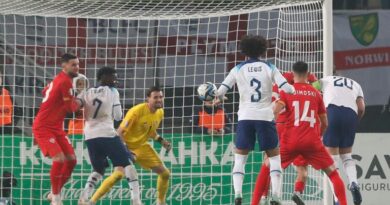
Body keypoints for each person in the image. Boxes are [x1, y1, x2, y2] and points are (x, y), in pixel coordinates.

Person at [215, 35, 295, 205]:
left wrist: (215, 96)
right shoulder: (269, 67)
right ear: (262, 49)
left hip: (245, 118)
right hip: (265, 118)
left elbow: (220, 91)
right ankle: (276, 196)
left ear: (244, 50)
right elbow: (287, 89)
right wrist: (294, 89)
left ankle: (237, 194)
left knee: (240, 159)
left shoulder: (238, 69)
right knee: (274, 158)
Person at [273, 62, 348, 205]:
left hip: (288, 134)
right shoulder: (316, 92)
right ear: (308, 74)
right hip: (310, 137)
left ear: (292, 74)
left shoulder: (286, 89)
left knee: (269, 167)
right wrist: (318, 136)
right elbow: (325, 122)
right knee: (331, 173)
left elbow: (275, 111)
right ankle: (298, 192)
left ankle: (269, 196)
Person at [251, 63, 319, 205]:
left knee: (269, 163)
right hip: (296, 127)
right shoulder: (299, 85)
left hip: (276, 125)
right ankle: (298, 192)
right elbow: (314, 83)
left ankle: (264, 197)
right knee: (302, 167)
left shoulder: (272, 85)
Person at [77, 67, 142, 205]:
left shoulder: (86, 92)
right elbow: (118, 115)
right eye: (113, 76)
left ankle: (83, 198)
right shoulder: (112, 91)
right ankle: (136, 201)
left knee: (99, 170)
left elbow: (77, 108)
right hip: (106, 133)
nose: (115, 80)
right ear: (103, 76)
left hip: (89, 135)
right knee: (128, 165)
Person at [32, 53, 83, 205]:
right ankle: (55, 198)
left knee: (72, 161)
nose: (77, 67)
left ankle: (55, 193)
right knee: (60, 159)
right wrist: (80, 99)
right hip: (44, 127)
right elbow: (71, 108)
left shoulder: (59, 79)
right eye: (73, 64)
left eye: (78, 64)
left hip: (56, 127)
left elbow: (45, 92)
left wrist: (68, 96)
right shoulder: (65, 82)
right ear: (64, 65)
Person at [313, 74, 365, 205]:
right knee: (347, 155)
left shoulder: (326, 80)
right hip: (350, 115)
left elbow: (310, 90)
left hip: (332, 112)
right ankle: (354, 183)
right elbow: (361, 108)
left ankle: (337, 199)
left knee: (332, 162)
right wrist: (354, 122)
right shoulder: (356, 84)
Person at [117, 86, 172, 205]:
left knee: (165, 174)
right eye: (155, 97)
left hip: (142, 146)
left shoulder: (160, 112)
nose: (159, 100)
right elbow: (119, 132)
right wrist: (125, 151)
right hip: (127, 147)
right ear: (148, 99)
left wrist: (161, 141)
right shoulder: (136, 111)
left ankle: (161, 202)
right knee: (118, 175)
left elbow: (150, 130)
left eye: (161, 97)